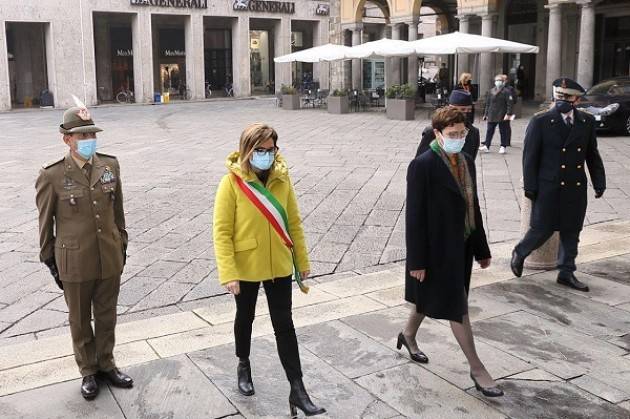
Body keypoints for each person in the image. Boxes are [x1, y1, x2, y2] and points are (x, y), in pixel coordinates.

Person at [213, 123, 326, 417]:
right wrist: (229, 272)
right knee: (245, 316)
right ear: (247, 150)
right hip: (246, 265)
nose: (265, 155)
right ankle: (243, 363)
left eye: (270, 149)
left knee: (284, 324)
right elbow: (222, 231)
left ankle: (297, 388)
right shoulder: (231, 183)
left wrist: (301, 261)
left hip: (278, 263)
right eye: (259, 150)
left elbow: (294, 223)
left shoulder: (282, 179)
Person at [400, 107, 503, 398]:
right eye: (452, 134)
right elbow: (415, 217)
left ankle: (407, 335)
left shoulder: (467, 160)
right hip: (435, 251)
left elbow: (473, 207)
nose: (458, 138)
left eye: (462, 133)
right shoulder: (422, 165)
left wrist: (481, 248)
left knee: (432, 298)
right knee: (457, 307)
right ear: (437, 134)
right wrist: (417, 261)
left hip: (462, 247)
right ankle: (477, 368)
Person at [35, 100, 133, 400]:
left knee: (107, 315)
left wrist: (122, 244)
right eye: (82, 136)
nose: (89, 141)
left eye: (92, 135)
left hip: (109, 255)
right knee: (79, 319)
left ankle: (107, 364)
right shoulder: (52, 175)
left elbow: (118, 212)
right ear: (67, 139)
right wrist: (51, 261)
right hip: (74, 261)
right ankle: (88, 370)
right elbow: (45, 225)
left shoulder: (109, 166)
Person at [511, 78, 606, 292]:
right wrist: (530, 187)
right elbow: (530, 158)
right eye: (559, 96)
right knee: (541, 228)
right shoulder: (541, 121)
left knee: (572, 231)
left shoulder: (586, 122)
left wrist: (599, 181)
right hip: (548, 187)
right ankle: (520, 252)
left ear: (577, 99)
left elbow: (592, 155)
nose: (562, 100)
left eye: (567, 97)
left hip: (575, 187)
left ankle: (566, 272)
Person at [416, 89, 480, 159]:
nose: (466, 114)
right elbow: (420, 160)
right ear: (451, 108)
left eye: (469, 110)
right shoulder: (433, 131)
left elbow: (471, 159)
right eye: (462, 109)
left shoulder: (474, 133)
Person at [480, 74, 514, 154]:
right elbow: (488, 103)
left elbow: (510, 103)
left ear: (503, 82)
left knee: (503, 131)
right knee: (489, 130)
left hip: (502, 114)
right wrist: (485, 114)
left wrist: (508, 113)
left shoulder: (506, 91)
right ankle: (487, 145)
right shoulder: (491, 91)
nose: (498, 82)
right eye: (497, 80)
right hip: (492, 114)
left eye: (500, 80)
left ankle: (503, 146)